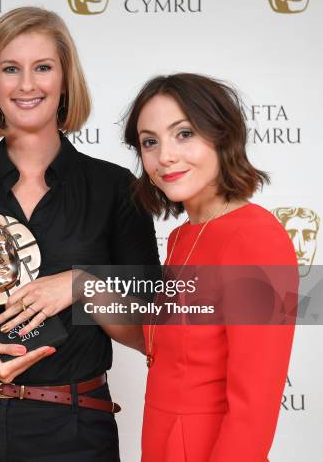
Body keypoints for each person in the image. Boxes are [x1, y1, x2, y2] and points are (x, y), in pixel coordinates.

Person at [0, 6, 159, 462]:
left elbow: (151, 332)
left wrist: (84, 286)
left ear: (65, 80)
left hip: (75, 428)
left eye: (42, 67)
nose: (27, 84)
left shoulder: (115, 189)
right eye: (11, 69)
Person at [123, 73, 297, 461]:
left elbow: (254, 405)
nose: (164, 155)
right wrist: (80, 287)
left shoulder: (255, 239)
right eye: (150, 142)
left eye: (183, 134)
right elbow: (166, 350)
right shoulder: (185, 236)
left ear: (221, 135)